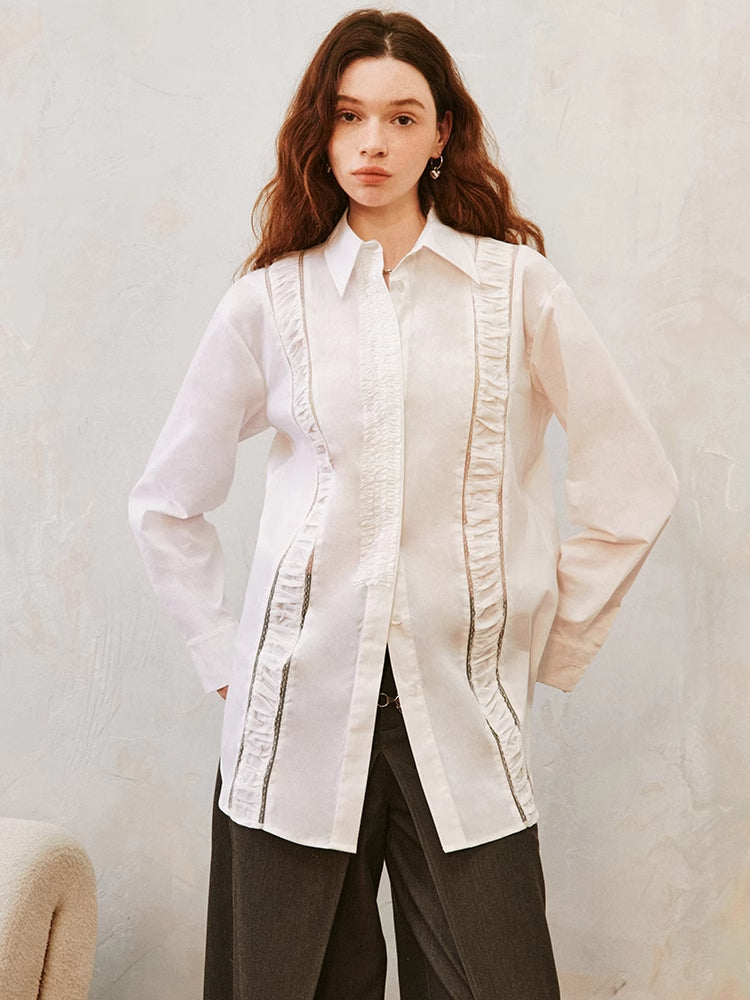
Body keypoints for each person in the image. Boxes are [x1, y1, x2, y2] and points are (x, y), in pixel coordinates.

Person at [129, 9, 678, 1000]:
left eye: (401, 116)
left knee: (495, 977)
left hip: (460, 707)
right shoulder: (272, 302)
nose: (371, 142)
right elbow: (167, 501)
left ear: (441, 134)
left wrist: (544, 647)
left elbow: (635, 482)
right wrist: (226, 659)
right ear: (321, 131)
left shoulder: (515, 291)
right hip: (295, 715)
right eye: (348, 115)